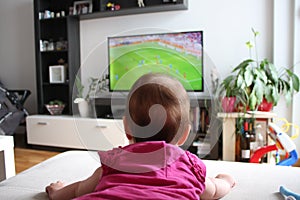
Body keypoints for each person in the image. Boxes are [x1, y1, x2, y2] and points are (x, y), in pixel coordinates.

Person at [46, 73, 236, 200]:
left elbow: (79, 189)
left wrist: (57, 192)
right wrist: (226, 181)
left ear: (126, 127)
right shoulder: (189, 166)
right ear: (185, 134)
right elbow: (213, 191)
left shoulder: (113, 162)